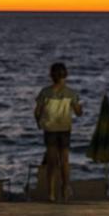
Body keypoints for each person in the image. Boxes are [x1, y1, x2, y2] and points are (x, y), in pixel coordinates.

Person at [35, 62, 83, 202]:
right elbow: (78, 112)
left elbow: (37, 111)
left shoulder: (45, 92)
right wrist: (80, 108)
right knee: (65, 161)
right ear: (65, 75)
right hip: (64, 129)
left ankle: (51, 193)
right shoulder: (71, 93)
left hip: (50, 130)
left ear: (51, 76)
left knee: (51, 163)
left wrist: (39, 122)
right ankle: (65, 190)